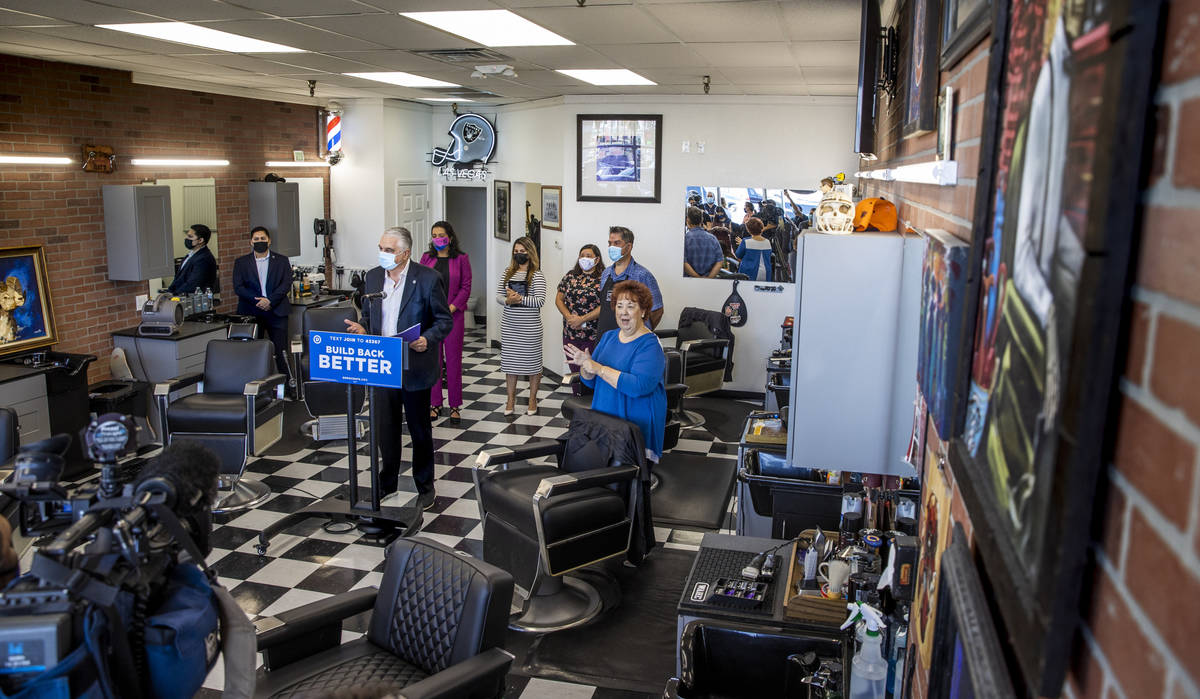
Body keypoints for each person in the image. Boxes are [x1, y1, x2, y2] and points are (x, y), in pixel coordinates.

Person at [344, 227, 452, 509]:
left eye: (389, 250)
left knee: (419, 430)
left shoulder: (428, 279)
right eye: (381, 248)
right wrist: (363, 328)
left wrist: (426, 340)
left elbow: (444, 321)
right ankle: (387, 483)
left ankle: (425, 486)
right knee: (385, 428)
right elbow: (370, 317)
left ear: (405, 253)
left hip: (415, 364)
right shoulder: (373, 277)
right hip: (382, 363)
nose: (384, 254)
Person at [565, 280, 667, 463]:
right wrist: (586, 367)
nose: (623, 312)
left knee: (625, 484)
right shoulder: (609, 337)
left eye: (630, 306)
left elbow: (639, 386)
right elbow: (591, 381)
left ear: (643, 311)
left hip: (633, 427)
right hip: (604, 422)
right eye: (619, 306)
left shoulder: (650, 345)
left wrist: (600, 369)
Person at [419, 221, 470, 426]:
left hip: (453, 317)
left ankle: (455, 405)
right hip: (430, 317)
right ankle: (435, 402)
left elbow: (466, 287)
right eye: (434, 235)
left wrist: (451, 307)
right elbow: (420, 283)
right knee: (434, 361)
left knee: (453, 360)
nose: (437, 238)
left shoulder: (461, 259)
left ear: (449, 236)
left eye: (441, 234)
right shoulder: (426, 258)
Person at [232, 226, 291, 377]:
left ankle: (289, 388)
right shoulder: (241, 263)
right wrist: (257, 301)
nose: (260, 241)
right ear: (251, 242)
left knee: (281, 351)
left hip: (276, 311)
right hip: (251, 311)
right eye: (256, 239)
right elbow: (238, 287)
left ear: (269, 241)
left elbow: (286, 284)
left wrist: (270, 300)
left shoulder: (282, 261)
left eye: (263, 239)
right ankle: (254, 388)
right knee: (252, 351)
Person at [496, 237, 546, 415]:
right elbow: (499, 297)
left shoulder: (537, 275)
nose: (519, 254)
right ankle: (510, 400)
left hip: (530, 328)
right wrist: (508, 300)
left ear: (530, 253)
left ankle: (532, 399)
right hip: (510, 327)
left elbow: (540, 300)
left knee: (533, 365)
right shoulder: (507, 273)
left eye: (522, 251)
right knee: (510, 366)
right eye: (516, 252)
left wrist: (520, 299)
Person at [599, 226, 664, 334]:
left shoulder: (643, 275)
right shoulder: (606, 273)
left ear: (628, 247)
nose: (611, 247)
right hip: (606, 339)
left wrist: (641, 332)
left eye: (617, 243)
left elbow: (657, 311)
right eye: (609, 243)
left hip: (632, 341)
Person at [556, 244, 605, 377]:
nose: (584, 259)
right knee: (574, 370)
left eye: (588, 256)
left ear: (597, 260)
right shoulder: (571, 276)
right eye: (582, 256)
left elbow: (605, 306)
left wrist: (582, 319)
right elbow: (559, 299)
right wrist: (569, 317)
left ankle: (590, 398)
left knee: (590, 371)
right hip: (570, 332)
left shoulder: (603, 279)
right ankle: (576, 395)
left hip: (592, 334)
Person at [168, 224, 217, 295]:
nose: (187, 239)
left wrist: (174, 294)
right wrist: (169, 291)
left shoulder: (204, 259)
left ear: (200, 240)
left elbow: (193, 284)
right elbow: (179, 278)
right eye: (187, 235)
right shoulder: (191, 255)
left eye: (190, 237)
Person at [683, 206, 723, 278]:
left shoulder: (684, 239)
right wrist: (708, 279)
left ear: (687, 220)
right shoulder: (713, 238)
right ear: (702, 219)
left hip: (688, 283)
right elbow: (719, 262)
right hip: (708, 283)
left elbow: (684, 263)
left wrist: (698, 278)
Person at [736, 217, 774, 281]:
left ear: (748, 230)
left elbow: (738, 256)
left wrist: (742, 244)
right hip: (766, 273)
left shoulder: (745, 241)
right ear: (761, 228)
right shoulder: (767, 242)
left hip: (749, 273)